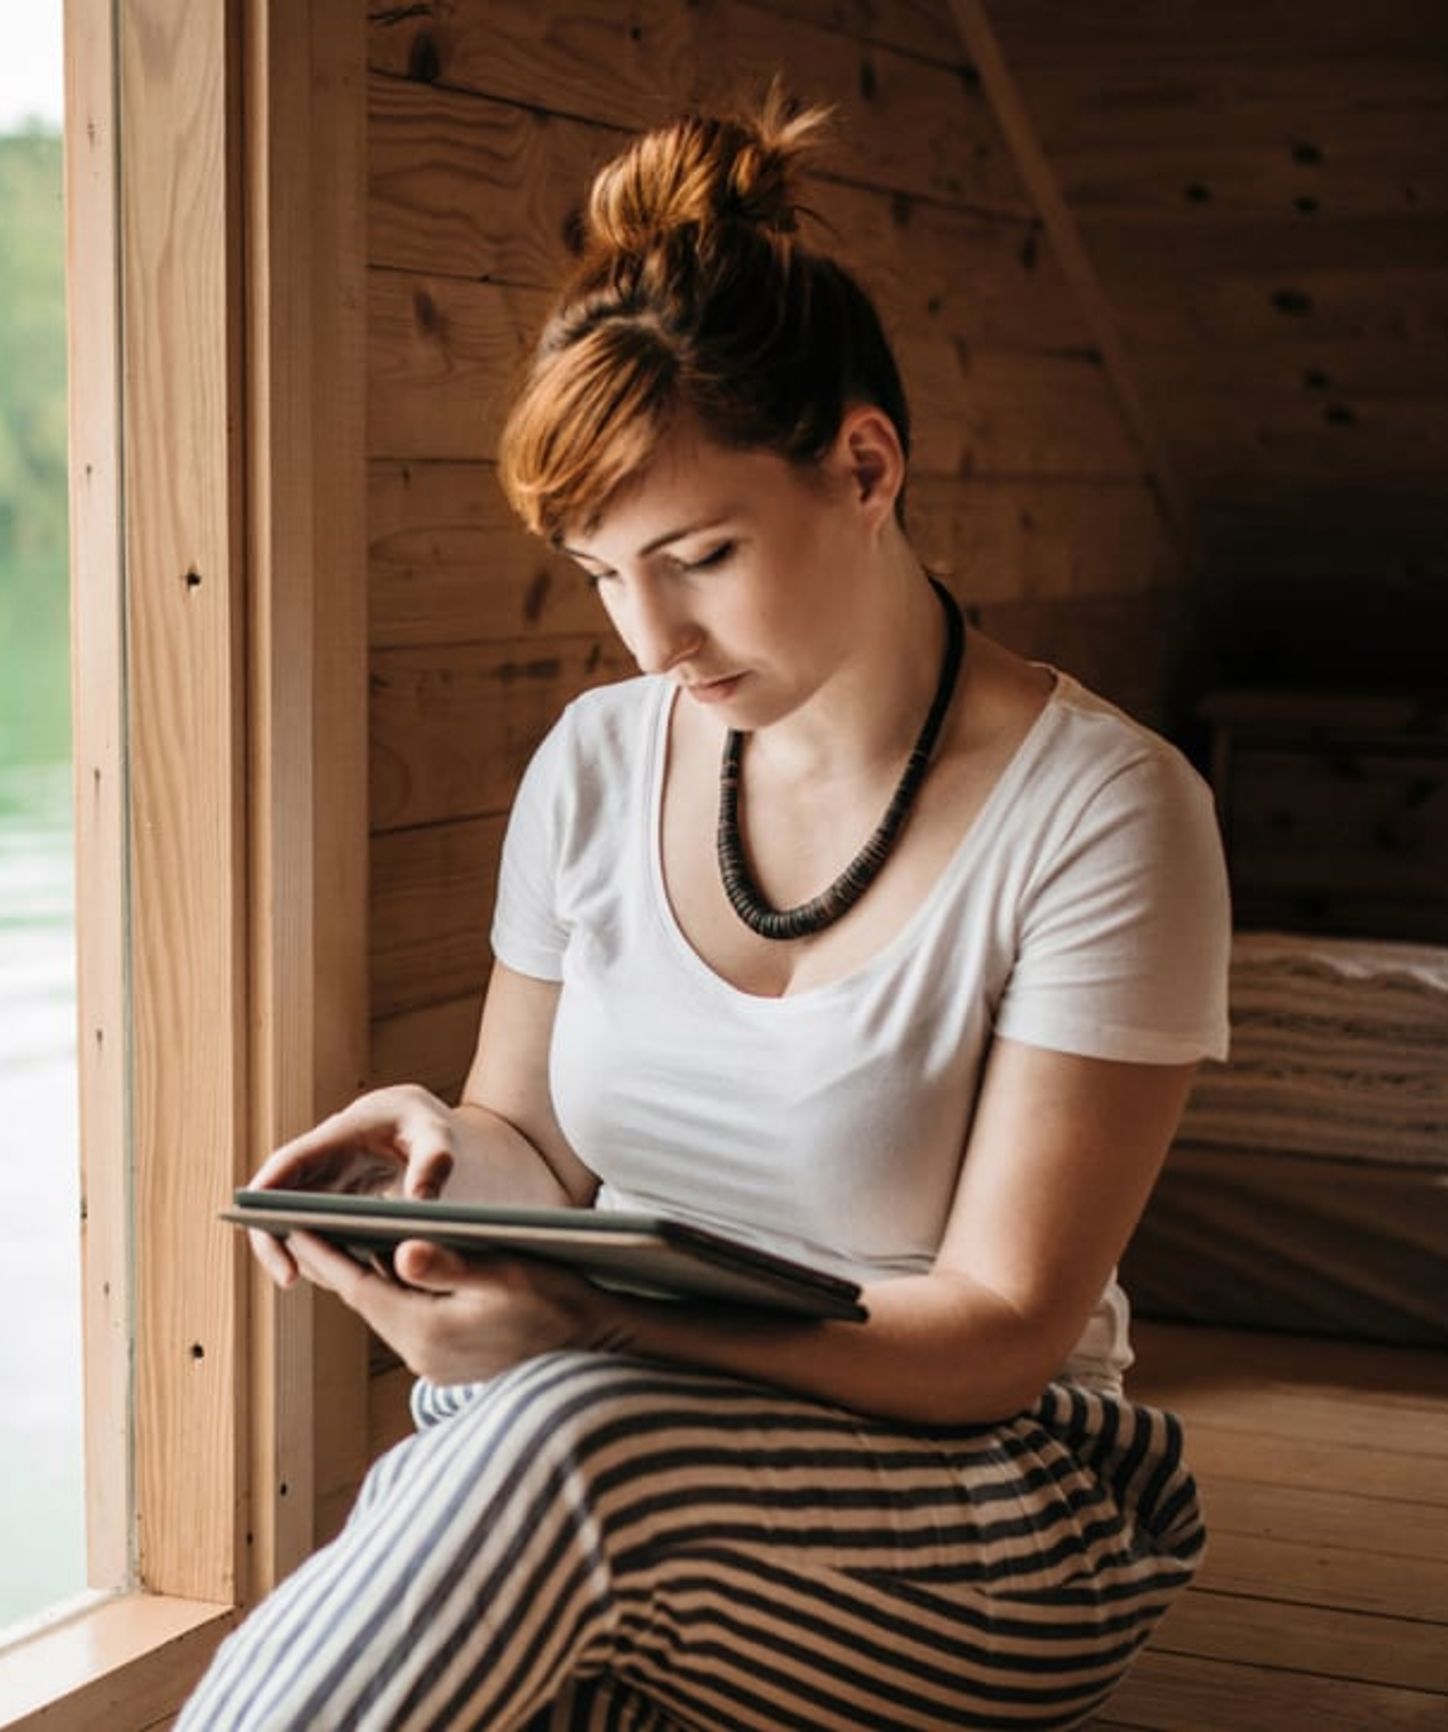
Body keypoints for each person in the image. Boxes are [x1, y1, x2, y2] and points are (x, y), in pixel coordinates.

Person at [180, 85, 1231, 1731]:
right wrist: (447, 1160)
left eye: (703, 555)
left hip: (989, 1503)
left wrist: (588, 1314)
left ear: (866, 465)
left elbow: (1001, 1336)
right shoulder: (599, 764)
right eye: (603, 576)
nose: (648, 638)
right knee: (522, 1556)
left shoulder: (1109, 814)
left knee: (555, 1462)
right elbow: (540, 1140)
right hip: (609, 1439)